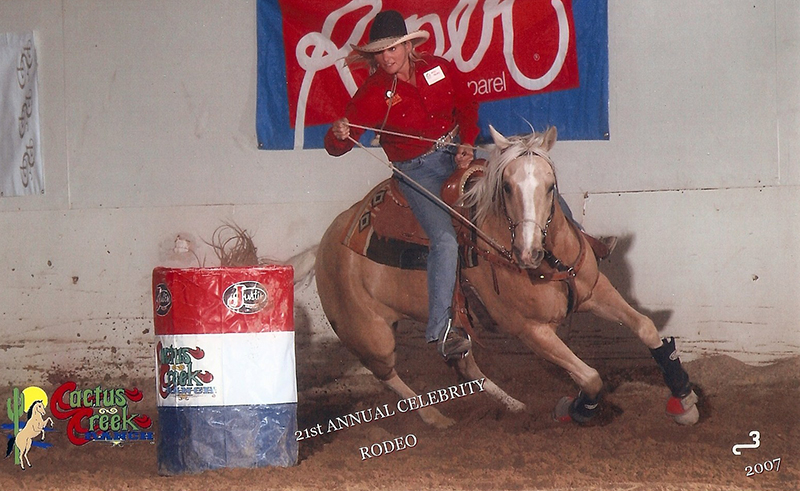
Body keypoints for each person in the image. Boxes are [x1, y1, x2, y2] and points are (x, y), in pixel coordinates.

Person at [324, 10, 475, 360]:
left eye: (392, 48)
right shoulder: (374, 91)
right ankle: (442, 330)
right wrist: (339, 134)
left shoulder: (438, 68)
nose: (387, 57)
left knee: (520, 182)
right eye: (380, 52)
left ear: (408, 46)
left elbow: (467, 104)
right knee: (445, 239)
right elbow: (339, 144)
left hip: (455, 154)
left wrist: (467, 141)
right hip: (416, 171)